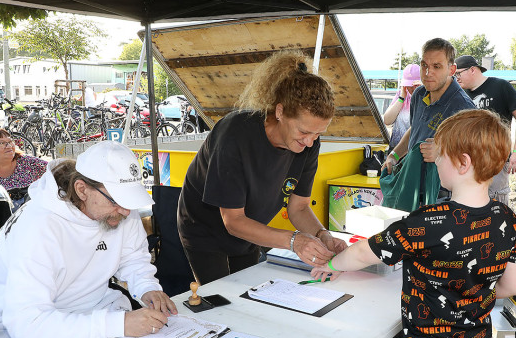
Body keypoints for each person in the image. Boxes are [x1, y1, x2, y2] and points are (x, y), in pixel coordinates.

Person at [312, 109, 516, 338]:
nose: (435, 162)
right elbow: (513, 285)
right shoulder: (507, 219)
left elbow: (366, 252)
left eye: (439, 155)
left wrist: (334, 262)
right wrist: (477, 290)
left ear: (462, 162)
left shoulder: (429, 222)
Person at [0, 141, 177, 338]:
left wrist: (147, 287)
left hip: (92, 310)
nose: (126, 211)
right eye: (117, 200)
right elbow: (27, 326)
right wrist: (120, 324)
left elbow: (133, 256)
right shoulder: (39, 227)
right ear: (82, 189)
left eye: (130, 200)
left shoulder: (118, 208)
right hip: (13, 330)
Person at [177, 50, 347, 286]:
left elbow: (298, 208)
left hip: (251, 227)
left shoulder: (310, 144)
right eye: (304, 132)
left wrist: (323, 235)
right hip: (205, 228)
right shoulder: (235, 135)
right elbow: (233, 221)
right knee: (220, 298)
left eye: (318, 133)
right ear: (280, 112)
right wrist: (294, 241)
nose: (310, 142)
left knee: (249, 292)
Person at [383, 39, 475, 175]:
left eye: (436, 66)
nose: (428, 72)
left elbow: (476, 155)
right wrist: (394, 156)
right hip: (413, 182)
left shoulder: (464, 107)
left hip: (442, 192)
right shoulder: (418, 94)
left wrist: (444, 153)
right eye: (424, 65)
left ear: (452, 69)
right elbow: (414, 129)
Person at [454, 55, 516, 205]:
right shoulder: (460, 95)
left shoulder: (500, 86)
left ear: (473, 70)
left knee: (496, 205)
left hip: (496, 161)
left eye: (458, 73)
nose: (456, 78)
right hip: (469, 163)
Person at [382, 63, 421, 150]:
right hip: (396, 149)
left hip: (415, 150)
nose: (412, 88)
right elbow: (387, 120)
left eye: (416, 85)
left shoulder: (427, 96)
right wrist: (402, 97)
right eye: (409, 85)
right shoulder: (401, 96)